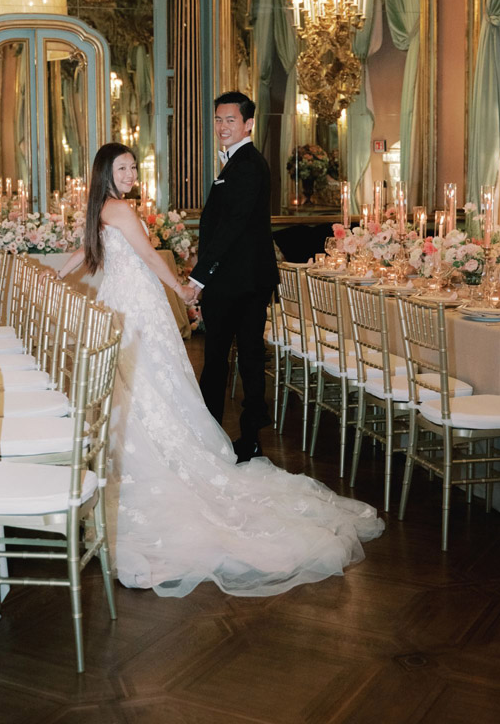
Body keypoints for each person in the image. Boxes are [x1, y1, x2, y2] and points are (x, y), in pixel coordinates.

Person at [59, 142, 383, 598]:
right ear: (104, 173)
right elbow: (149, 259)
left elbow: (86, 253)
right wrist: (181, 289)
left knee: (142, 387)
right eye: (123, 168)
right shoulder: (121, 211)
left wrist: (57, 274)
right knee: (144, 385)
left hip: (125, 305)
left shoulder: (104, 209)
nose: (131, 174)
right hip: (133, 308)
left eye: (133, 167)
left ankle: (129, 461)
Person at [189, 92, 278, 463]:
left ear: (248, 124)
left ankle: (244, 436)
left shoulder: (248, 165)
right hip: (239, 281)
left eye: (230, 120)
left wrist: (198, 278)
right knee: (228, 359)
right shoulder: (237, 162)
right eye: (219, 120)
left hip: (239, 283)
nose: (223, 127)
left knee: (231, 359)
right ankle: (230, 433)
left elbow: (231, 227)